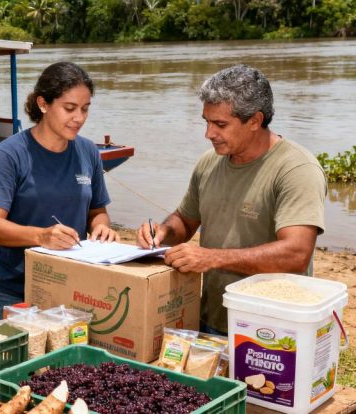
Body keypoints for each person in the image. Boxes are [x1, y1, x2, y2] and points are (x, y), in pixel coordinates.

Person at [137, 64, 326, 335]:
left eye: (220, 124)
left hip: (272, 330)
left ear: (255, 121)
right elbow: (186, 221)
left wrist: (211, 258)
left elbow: (296, 253)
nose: (209, 133)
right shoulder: (209, 162)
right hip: (212, 318)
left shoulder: (296, 169)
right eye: (207, 122)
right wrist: (163, 231)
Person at [0, 62, 119, 321]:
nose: (79, 118)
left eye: (85, 109)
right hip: (17, 293)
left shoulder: (88, 152)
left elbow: (97, 211)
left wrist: (102, 227)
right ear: (43, 104)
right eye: (69, 108)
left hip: (74, 289)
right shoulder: (10, 155)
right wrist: (42, 236)